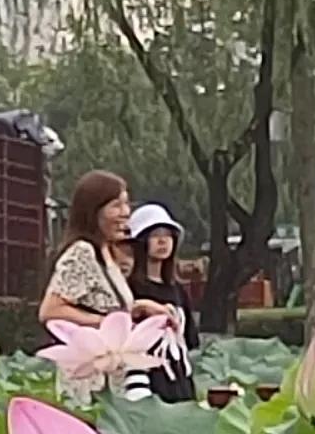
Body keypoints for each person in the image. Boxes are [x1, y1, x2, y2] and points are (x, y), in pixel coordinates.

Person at [121, 202, 201, 401]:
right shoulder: (129, 288)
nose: (163, 241)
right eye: (155, 235)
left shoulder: (178, 291)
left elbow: (189, 340)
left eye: (167, 235)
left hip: (179, 378)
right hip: (145, 379)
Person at [41, 169, 135, 333]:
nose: (125, 212)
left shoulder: (107, 253)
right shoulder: (82, 252)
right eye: (116, 205)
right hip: (88, 354)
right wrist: (104, 323)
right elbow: (51, 311)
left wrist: (142, 308)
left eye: (126, 203)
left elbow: (105, 306)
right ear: (93, 212)